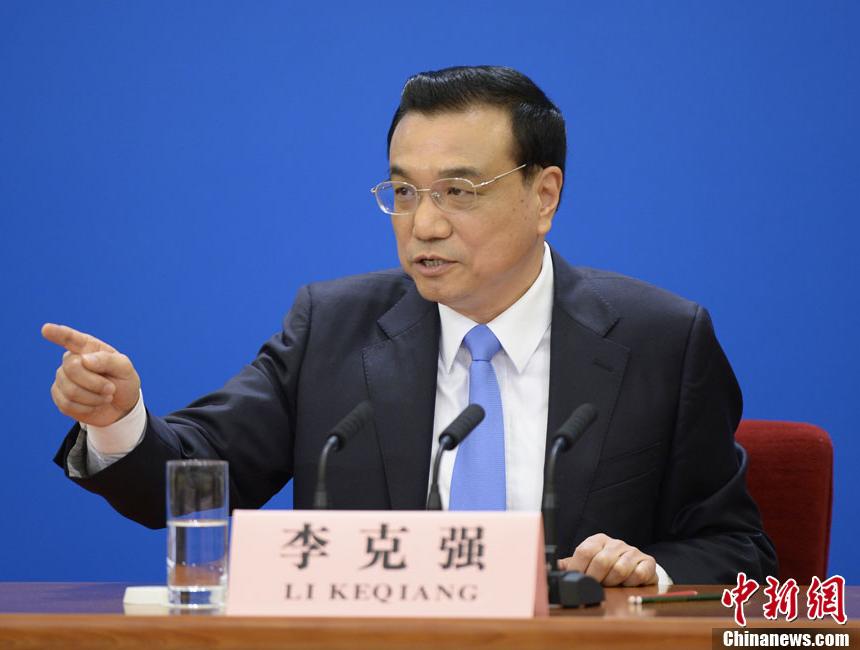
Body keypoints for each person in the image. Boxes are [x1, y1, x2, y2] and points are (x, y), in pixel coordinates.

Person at [43, 65, 777, 587]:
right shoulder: (332, 328)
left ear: (544, 195)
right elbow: (194, 480)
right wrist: (119, 421)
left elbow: (737, 548)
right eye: (402, 191)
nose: (423, 223)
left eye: (457, 191)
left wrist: (649, 569)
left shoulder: (660, 340)